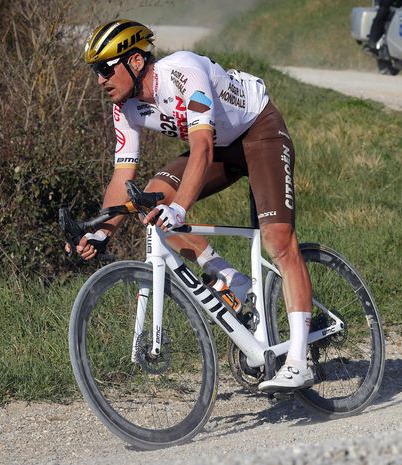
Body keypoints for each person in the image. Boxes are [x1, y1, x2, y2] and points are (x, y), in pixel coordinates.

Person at [71, 19, 314, 392]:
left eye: (105, 68)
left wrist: (180, 211)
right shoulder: (125, 107)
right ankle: (233, 279)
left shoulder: (183, 74)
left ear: (135, 61)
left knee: (278, 241)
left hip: (258, 132)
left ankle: (299, 360)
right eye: (95, 72)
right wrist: (101, 230)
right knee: (151, 199)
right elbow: (123, 178)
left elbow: (202, 147)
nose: (100, 80)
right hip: (221, 148)